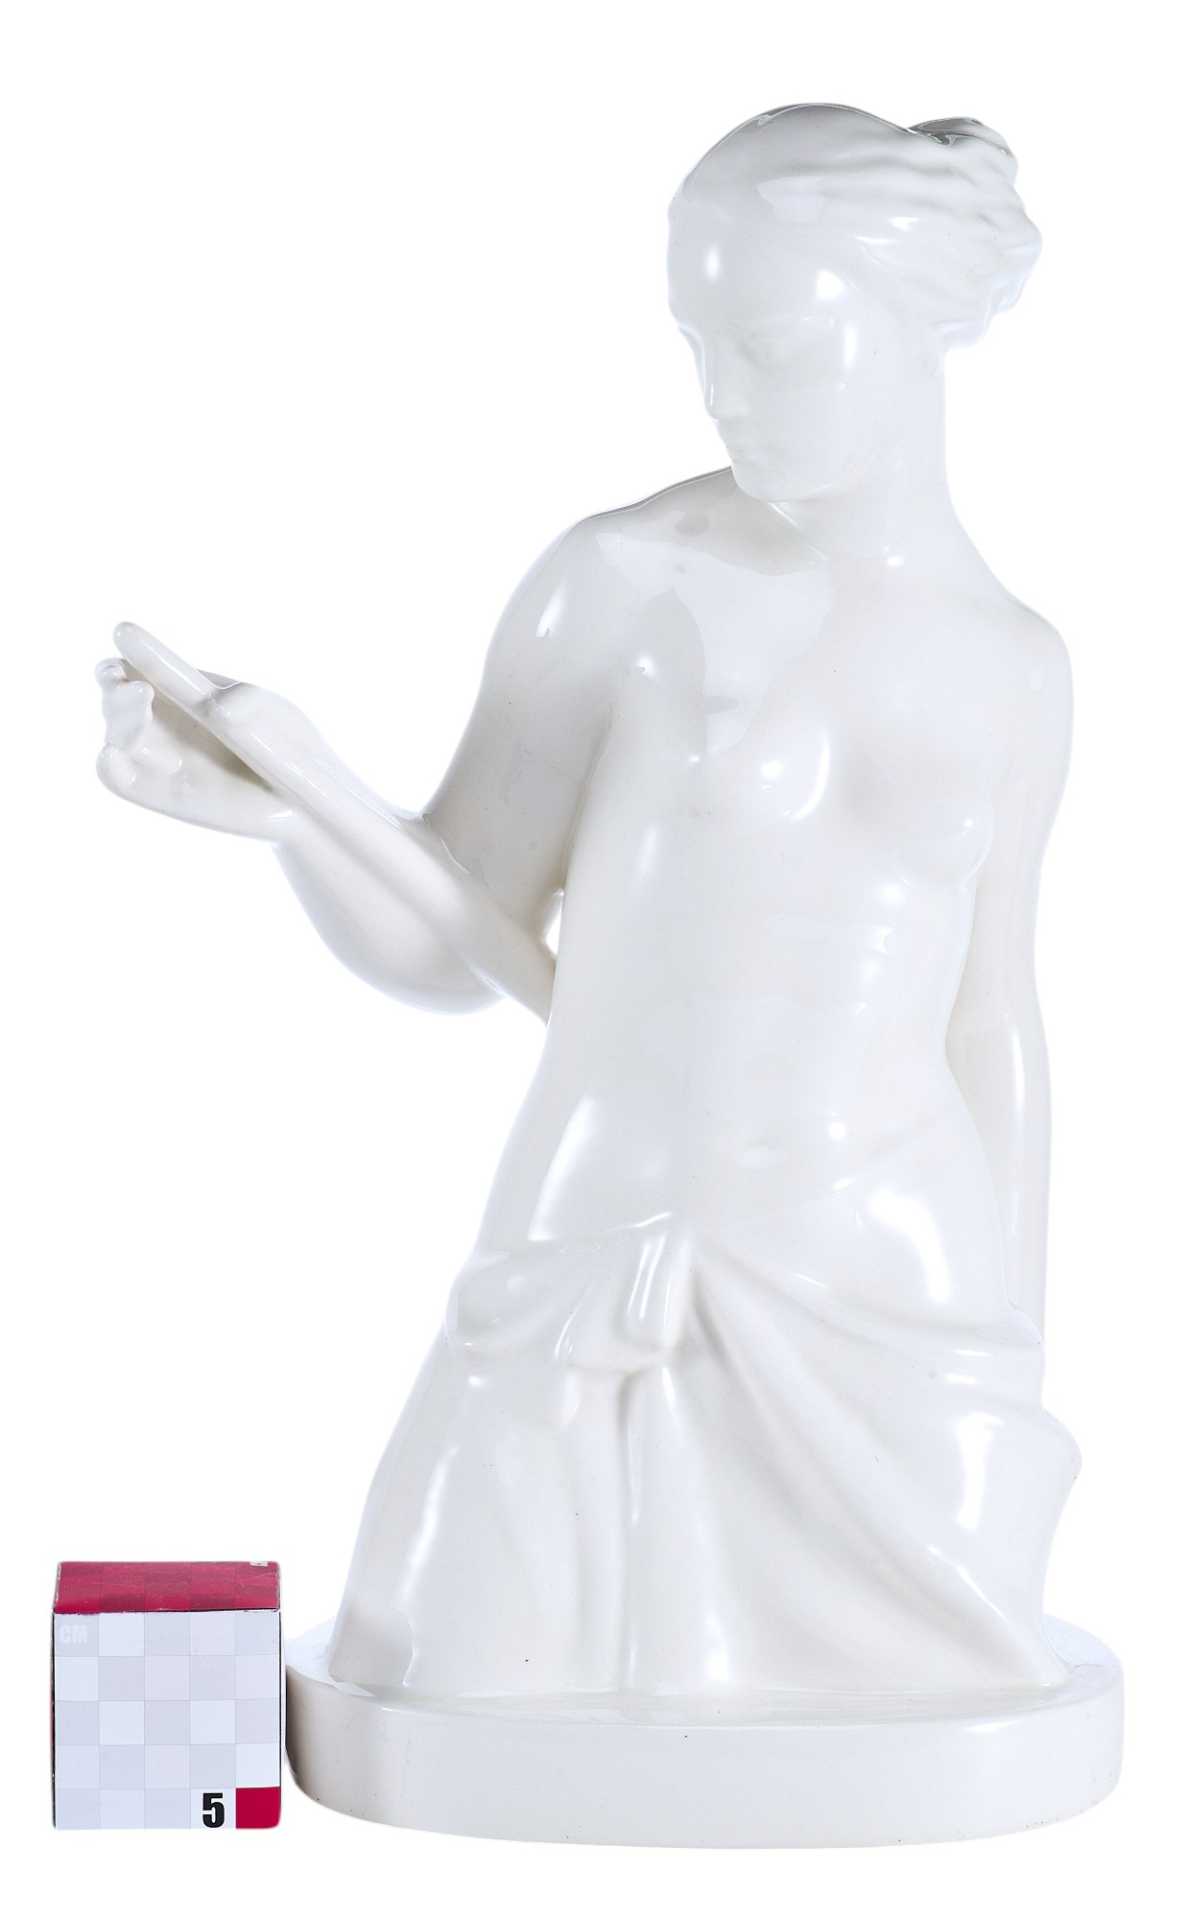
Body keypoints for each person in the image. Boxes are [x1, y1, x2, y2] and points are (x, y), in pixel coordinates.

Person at [97, 105, 1077, 1700]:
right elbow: (449, 939)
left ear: (917, 320)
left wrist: (1012, 1357)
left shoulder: (1016, 667)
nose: (728, 395)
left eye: (776, 348)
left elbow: (995, 1022)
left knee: (917, 1715)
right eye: (700, 345)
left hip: (895, 1291)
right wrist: (297, 820)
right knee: (454, 1677)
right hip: (601, 1241)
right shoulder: (624, 584)